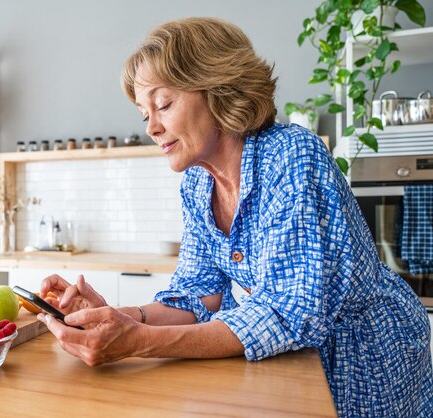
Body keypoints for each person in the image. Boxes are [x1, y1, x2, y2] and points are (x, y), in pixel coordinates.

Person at [37, 17, 433, 417]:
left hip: (371, 356)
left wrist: (138, 341)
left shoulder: (292, 156)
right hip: (297, 360)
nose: (152, 128)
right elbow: (199, 293)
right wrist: (117, 316)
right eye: (145, 114)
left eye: (164, 104)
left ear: (219, 89)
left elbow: (287, 312)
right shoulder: (197, 182)